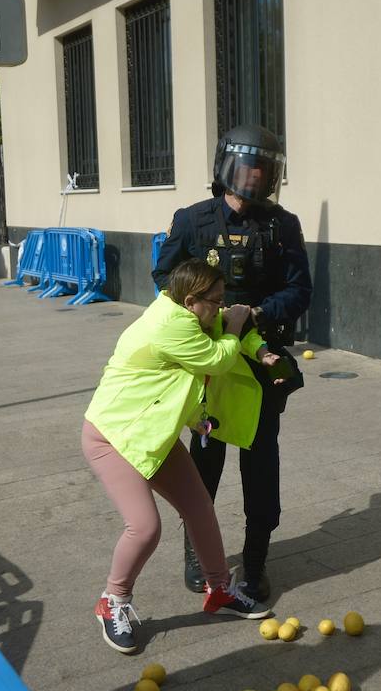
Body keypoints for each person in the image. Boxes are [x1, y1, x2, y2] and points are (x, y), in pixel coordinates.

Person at [152, 124, 312, 603]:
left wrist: (256, 315)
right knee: (202, 464)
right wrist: (202, 311)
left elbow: (300, 289)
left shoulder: (283, 226)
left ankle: (256, 562)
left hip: (259, 368)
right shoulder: (192, 220)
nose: (256, 177)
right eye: (248, 167)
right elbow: (164, 275)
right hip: (205, 367)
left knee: (261, 466)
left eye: (265, 169)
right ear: (226, 168)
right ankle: (198, 556)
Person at [83, 259, 276, 653]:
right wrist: (236, 327)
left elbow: (182, 372)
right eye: (216, 301)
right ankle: (112, 601)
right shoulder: (172, 325)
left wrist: (197, 419)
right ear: (191, 301)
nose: (222, 308)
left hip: (152, 434)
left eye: (225, 302)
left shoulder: (183, 317)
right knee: (144, 526)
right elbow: (218, 359)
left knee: (199, 507)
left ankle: (219, 589)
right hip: (113, 438)